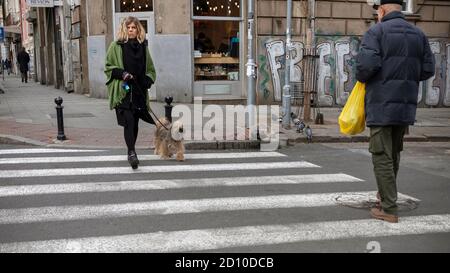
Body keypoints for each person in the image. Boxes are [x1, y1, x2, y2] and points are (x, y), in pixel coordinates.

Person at [356, 0, 435, 223]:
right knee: (393, 152)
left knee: (381, 154)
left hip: (381, 103)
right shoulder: (418, 34)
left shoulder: (376, 32)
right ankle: (385, 193)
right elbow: (428, 69)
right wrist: (406, 79)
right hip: (405, 103)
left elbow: (365, 68)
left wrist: (365, 78)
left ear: (381, 10)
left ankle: (389, 208)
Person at [105, 16, 156, 170]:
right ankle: (131, 152)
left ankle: (131, 149)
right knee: (129, 121)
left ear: (138, 29)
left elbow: (151, 69)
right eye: (128, 27)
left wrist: (148, 80)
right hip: (124, 90)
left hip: (139, 91)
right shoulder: (116, 46)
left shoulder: (143, 47)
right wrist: (123, 74)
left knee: (135, 123)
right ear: (124, 29)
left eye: (134, 27)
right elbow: (108, 67)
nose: (131, 30)